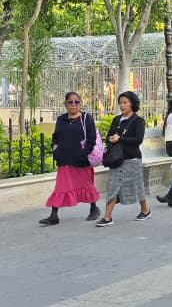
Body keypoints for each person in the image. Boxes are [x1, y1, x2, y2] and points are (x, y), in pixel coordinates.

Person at [38, 92, 100, 226]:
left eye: (76, 102)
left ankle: (94, 208)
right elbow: (56, 136)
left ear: (80, 104)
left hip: (81, 160)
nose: (73, 105)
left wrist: (83, 154)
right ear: (65, 104)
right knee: (60, 187)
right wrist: (54, 147)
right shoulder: (61, 119)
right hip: (64, 159)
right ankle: (54, 216)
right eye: (70, 102)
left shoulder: (86, 118)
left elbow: (91, 139)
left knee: (86, 185)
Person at [96, 91, 150, 226]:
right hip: (117, 160)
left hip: (132, 160)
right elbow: (109, 136)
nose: (122, 105)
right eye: (120, 103)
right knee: (113, 187)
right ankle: (107, 217)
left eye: (125, 102)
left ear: (132, 104)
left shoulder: (138, 121)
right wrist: (111, 139)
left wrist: (120, 138)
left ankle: (145, 210)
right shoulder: (116, 120)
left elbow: (138, 140)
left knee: (137, 187)